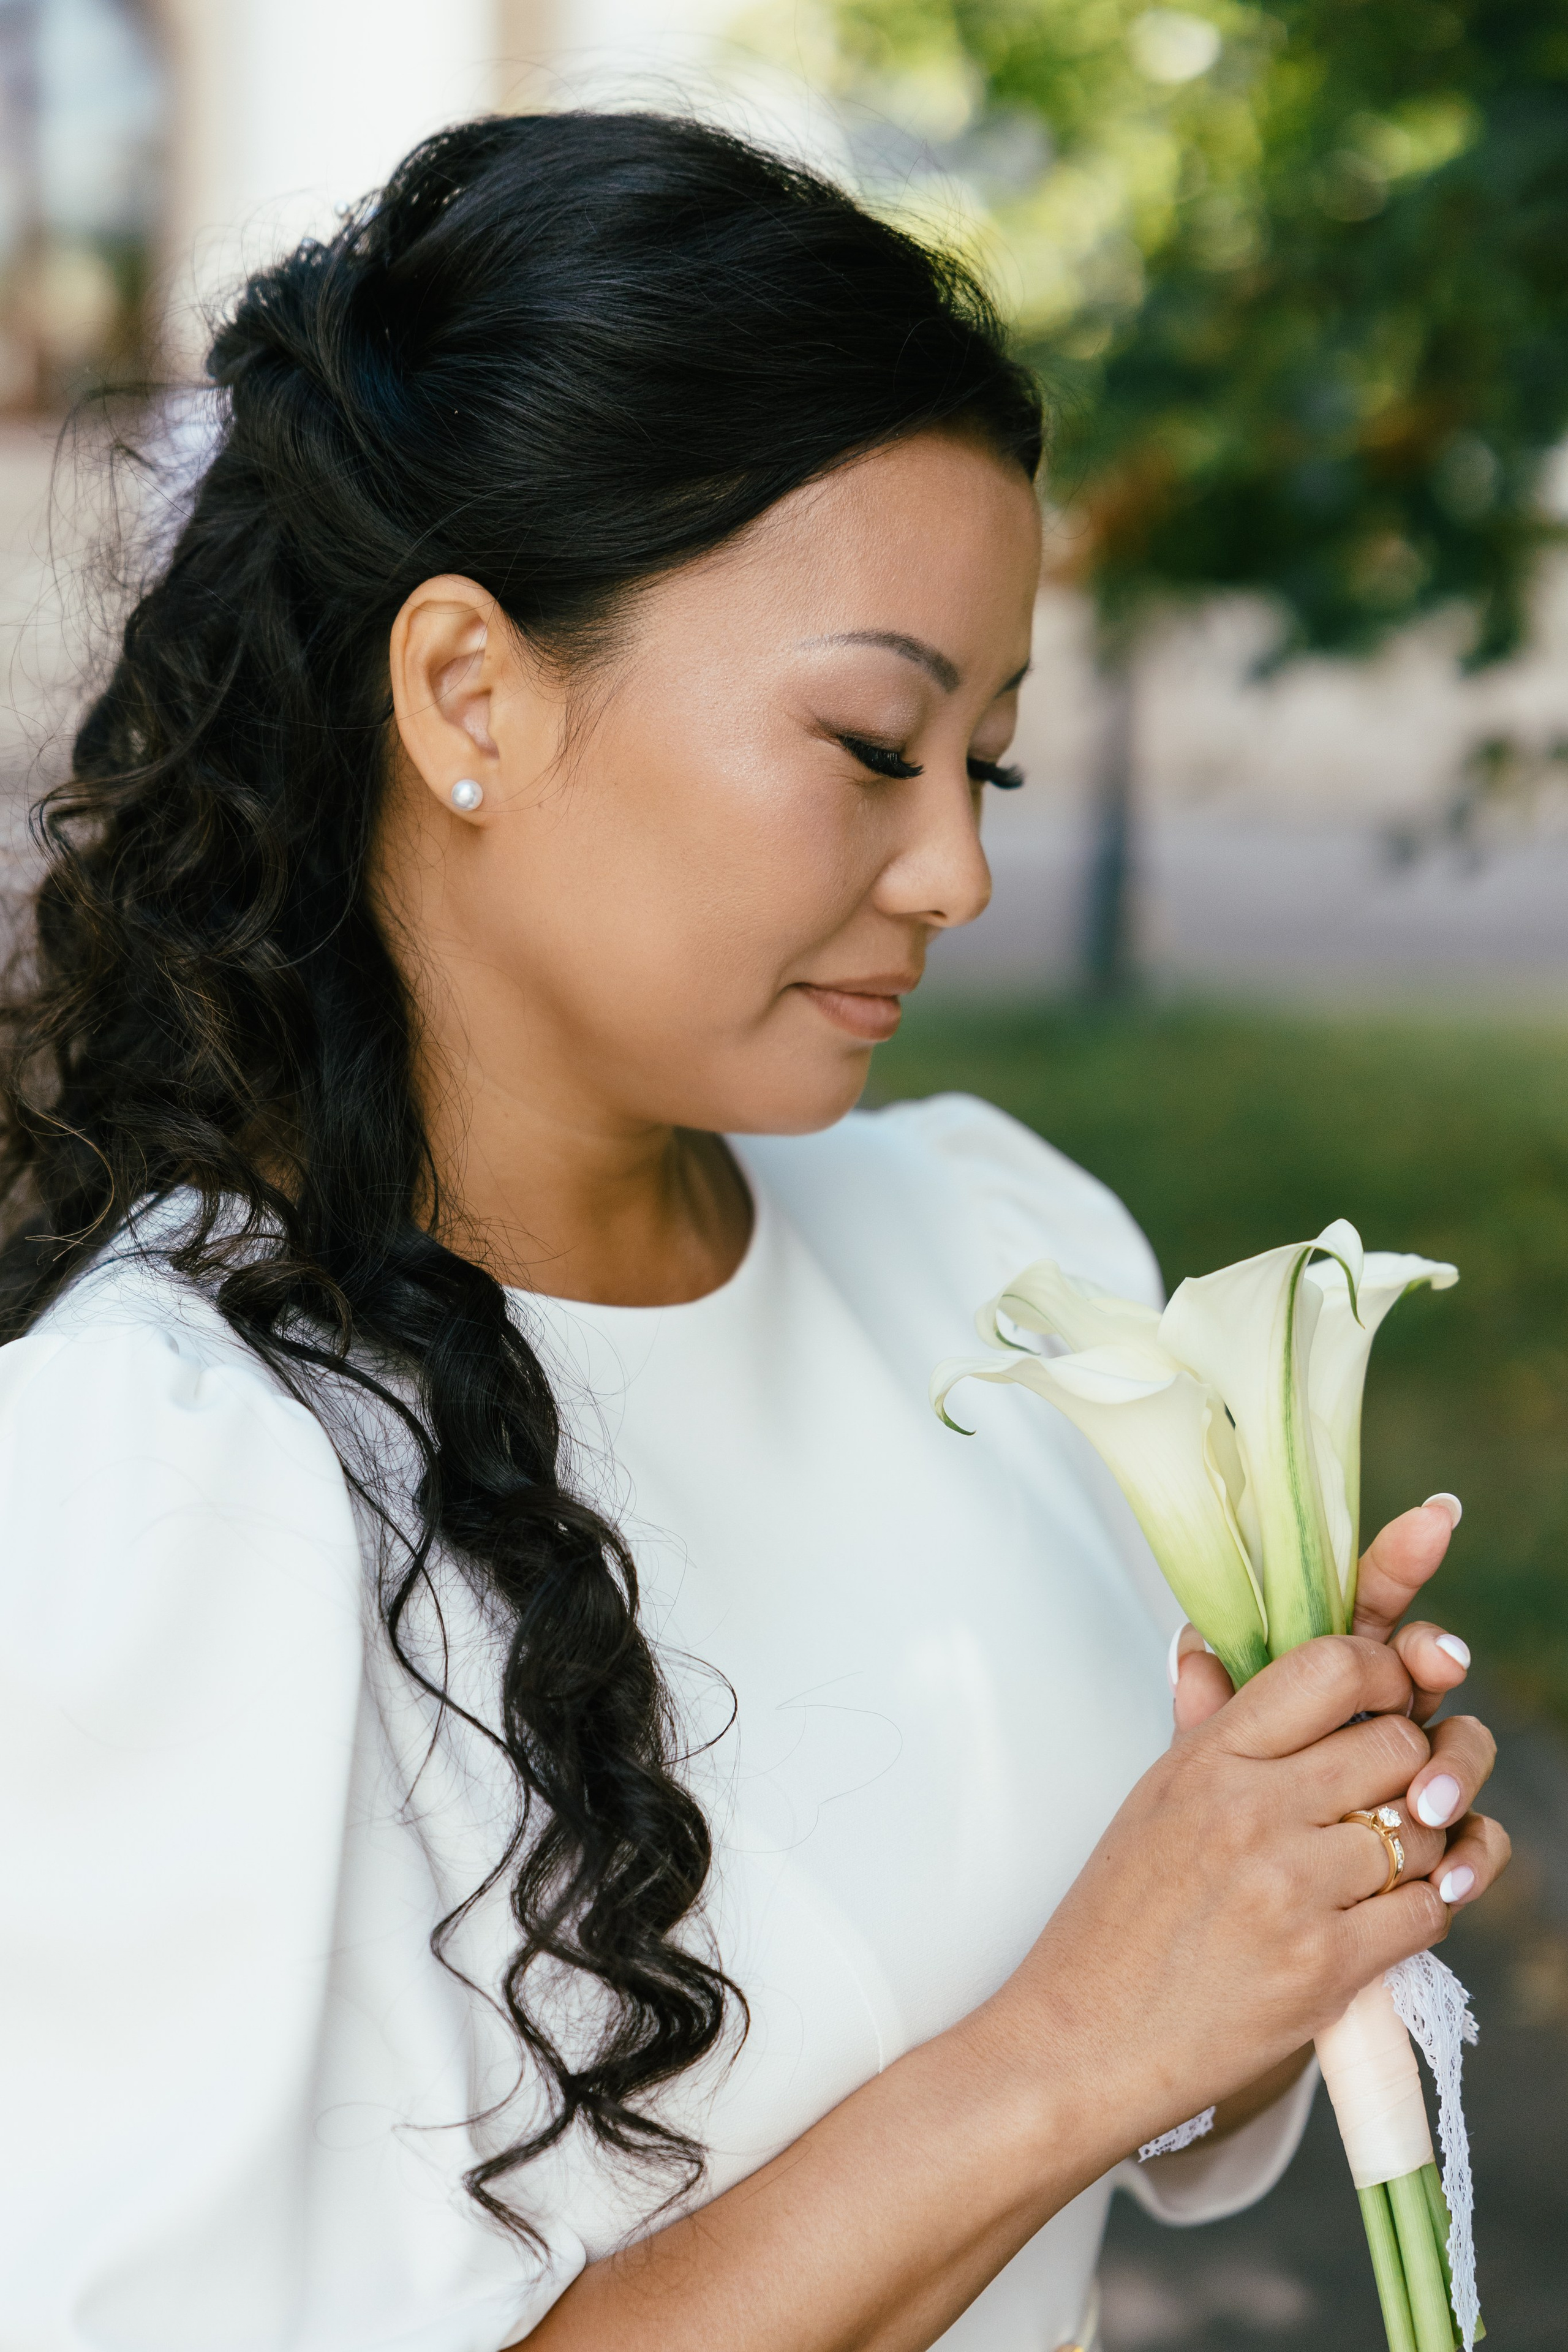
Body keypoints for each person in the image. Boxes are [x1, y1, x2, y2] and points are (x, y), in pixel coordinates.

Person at [0, 111, 1507, 2352]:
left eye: (985, 763)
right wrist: (1082, 2031)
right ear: (468, 690)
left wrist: (1286, 1905)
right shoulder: (176, 1472)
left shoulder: (995, 1254)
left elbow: (1156, 2092)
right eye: (874, 742)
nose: (956, 879)